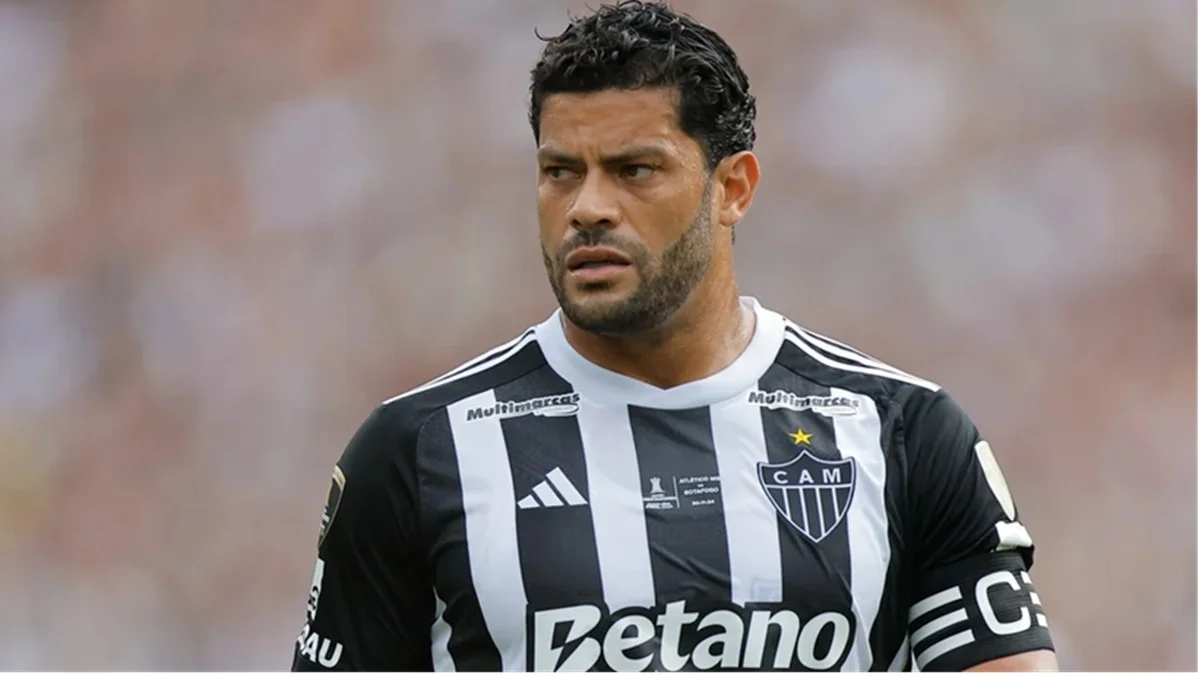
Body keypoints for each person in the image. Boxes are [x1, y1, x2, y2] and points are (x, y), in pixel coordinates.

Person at [290, 1, 1058, 671]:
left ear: (733, 188)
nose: (588, 207)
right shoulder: (420, 449)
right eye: (561, 172)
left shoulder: (904, 433)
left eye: (634, 170)